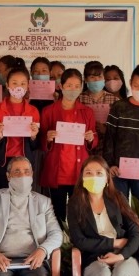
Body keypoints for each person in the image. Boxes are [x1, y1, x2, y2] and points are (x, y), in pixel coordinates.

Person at [40, 68, 98, 225]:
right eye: (69, 85)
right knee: (57, 214)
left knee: (80, 213)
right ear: (61, 86)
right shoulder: (48, 111)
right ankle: (59, 245)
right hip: (57, 170)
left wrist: (91, 138)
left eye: (77, 86)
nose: (73, 89)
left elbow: (94, 141)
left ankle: (78, 246)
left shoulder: (87, 112)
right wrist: (48, 138)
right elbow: (40, 142)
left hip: (79, 170)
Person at [103, 64, 139, 210]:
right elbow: (109, 137)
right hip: (118, 170)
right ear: (130, 83)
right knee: (117, 208)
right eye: (136, 86)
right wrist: (110, 165)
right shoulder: (118, 107)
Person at [0, 67, 40, 190]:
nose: (19, 87)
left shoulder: (33, 111)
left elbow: (35, 146)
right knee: (2, 196)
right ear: (7, 85)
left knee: (23, 196)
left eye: (23, 83)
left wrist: (34, 136)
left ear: (28, 85)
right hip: (3, 161)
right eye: (14, 83)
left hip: (24, 160)